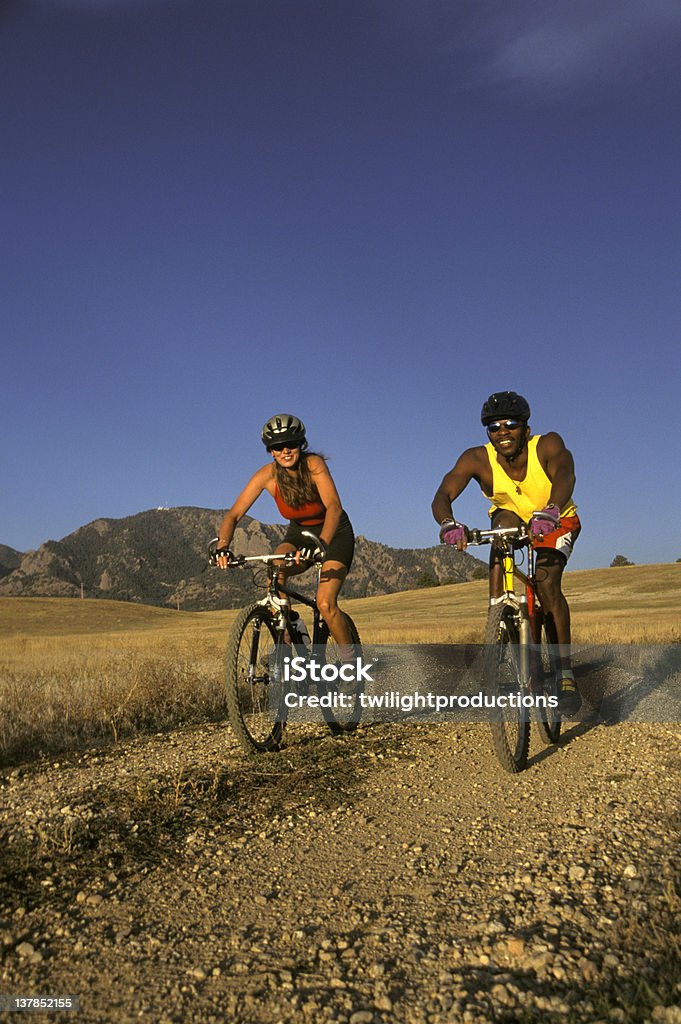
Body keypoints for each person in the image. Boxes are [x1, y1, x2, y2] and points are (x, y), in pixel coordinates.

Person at [431, 391, 582, 716]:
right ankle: (498, 619)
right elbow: (444, 492)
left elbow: (565, 472)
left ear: (525, 429)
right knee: (501, 524)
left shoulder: (547, 444)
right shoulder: (477, 458)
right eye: (494, 427)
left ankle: (565, 673)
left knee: (546, 583)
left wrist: (551, 510)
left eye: (511, 425)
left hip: (556, 518)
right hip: (513, 520)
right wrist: (448, 523)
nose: (503, 432)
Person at [214, 414, 355, 651]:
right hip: (298, 533)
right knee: (275, 573)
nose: (285, 451)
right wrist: (222, 546)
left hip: (334, 532)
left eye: (291, 444)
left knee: (325, 603)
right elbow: (233, 515)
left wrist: (320, 543)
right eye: (278, 447)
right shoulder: (266, 476)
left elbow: (334, 507)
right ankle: (290, 638)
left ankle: (353, 667)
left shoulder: (313, 465)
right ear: (271, 451)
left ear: (301, 444)